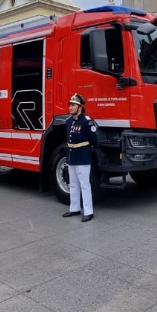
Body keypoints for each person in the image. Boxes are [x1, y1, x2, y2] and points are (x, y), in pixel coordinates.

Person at [61, 93, 99, 223]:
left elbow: (94, 140)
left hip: (83, 156)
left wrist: (90, 150)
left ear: (80, 108)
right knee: (73, 184)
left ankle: (88, 211)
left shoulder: (86, 121)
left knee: (84, 185)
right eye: (70, 105)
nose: (70, 107)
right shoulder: (69, 121)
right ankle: (74, 208)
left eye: (73, 105)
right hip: (72, 156)